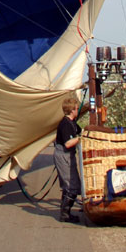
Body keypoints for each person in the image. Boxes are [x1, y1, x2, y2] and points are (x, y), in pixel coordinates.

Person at [54, 95, 82, 223]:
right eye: (76, 108)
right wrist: (81, 138)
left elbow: (81, 131)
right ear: (72, 110)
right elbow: (68, 143)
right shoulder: (65, 124)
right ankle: (65, 214)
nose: (77, 110)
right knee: (72, 186)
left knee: (71, 185)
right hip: (64, 155)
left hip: (68, 155)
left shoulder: (72, 122)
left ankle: (66, 212)